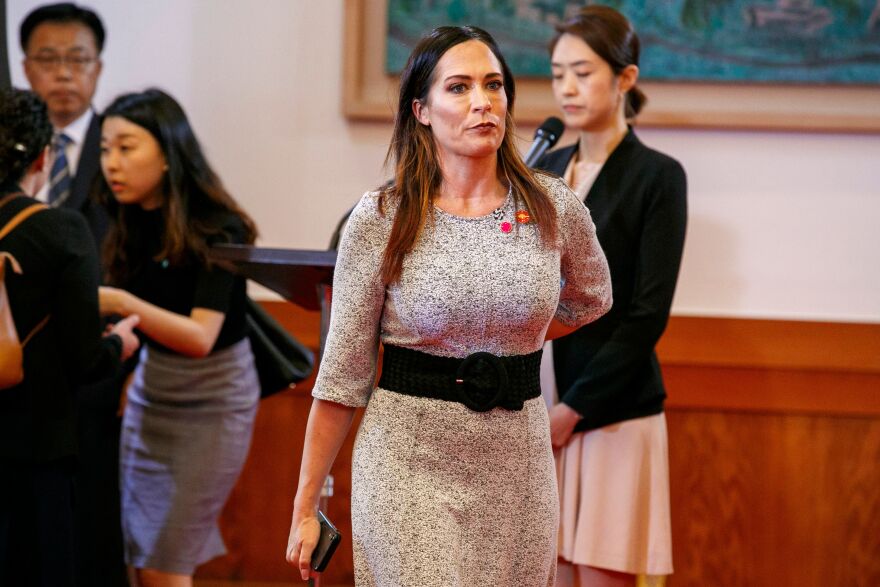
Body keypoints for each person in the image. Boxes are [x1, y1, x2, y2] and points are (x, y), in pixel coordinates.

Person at [286, 26, 612, 587]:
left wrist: (519, 339)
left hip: (518, 468)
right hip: (407, 465)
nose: (482, 102)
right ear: (422, 110)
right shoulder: (382, 217)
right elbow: (342, 378)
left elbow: (591, 300)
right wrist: (305, 506)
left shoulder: (553, 205)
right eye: (458, 88)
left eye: (493, 85)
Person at [535, 6, 688, 587]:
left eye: (583, 72)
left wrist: (573, 411)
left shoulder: (658, 176)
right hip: (536, 397)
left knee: (597, 575)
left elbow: (647, 312)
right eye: (557, 74)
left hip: (611, 407)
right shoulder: (542, 169)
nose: (567, 88)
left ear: (625, 79)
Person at [95, 88, 260, 587]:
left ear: (168, 154)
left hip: (214, 403)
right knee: (134, 558)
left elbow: (199, 336)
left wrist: (122, 304)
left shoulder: (218, 226)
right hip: (151, 395)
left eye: (126, 147)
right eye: (104, 149)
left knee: (166, 564)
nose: (111, 164)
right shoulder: (120, 217)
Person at [0, 88, 139, 587]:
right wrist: (118, 345)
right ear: (43, 155)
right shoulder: (60, 230)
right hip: (35, 445)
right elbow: (85, 359)